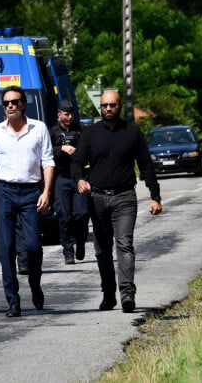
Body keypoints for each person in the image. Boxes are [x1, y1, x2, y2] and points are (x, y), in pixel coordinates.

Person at [71, 89, 162, 313]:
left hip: (124, 197)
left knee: (125, 245)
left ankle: (127, 294)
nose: (108, 109)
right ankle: (108, 294)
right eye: (104, 106)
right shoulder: (90, 134)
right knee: (102, 249)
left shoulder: (132, 133)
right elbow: (76, 162)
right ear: (100, 108)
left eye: (112, 105)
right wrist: (79, 180)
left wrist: (155, 196)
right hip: (98, 198)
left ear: (120, 106)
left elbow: (146, 165)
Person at [0, 86, 55, 317]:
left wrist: (46, 192)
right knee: (6, 248)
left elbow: (48, 162)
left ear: (23, 104)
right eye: (6, 103)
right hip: (4, 192)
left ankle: (34, 280)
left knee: (32, 246)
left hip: (31, 191)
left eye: (14, 101)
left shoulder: (38, 128)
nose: (10, 106)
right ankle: (12, 300)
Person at [49, 99, 89, 265]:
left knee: (81, 214)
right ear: (59, 114)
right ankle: (68, 250)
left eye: (71, 113)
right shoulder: (52, 132)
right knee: (64, 216)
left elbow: (90, 150)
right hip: (61, 178)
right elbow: (44, 152)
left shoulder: (80, 130)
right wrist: (61, 149)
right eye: (66, 113)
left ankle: (80, 242)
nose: (70, 116)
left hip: (79, 177)